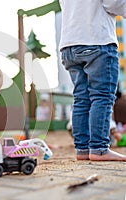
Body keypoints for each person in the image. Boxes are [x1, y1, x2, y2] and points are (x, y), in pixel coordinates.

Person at [59, 0, 126, 161]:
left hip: (69, 44)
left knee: (81, 98)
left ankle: (83, 149)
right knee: (102, 96)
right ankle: (99, 148)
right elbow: (114, 3)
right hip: (97, 39)